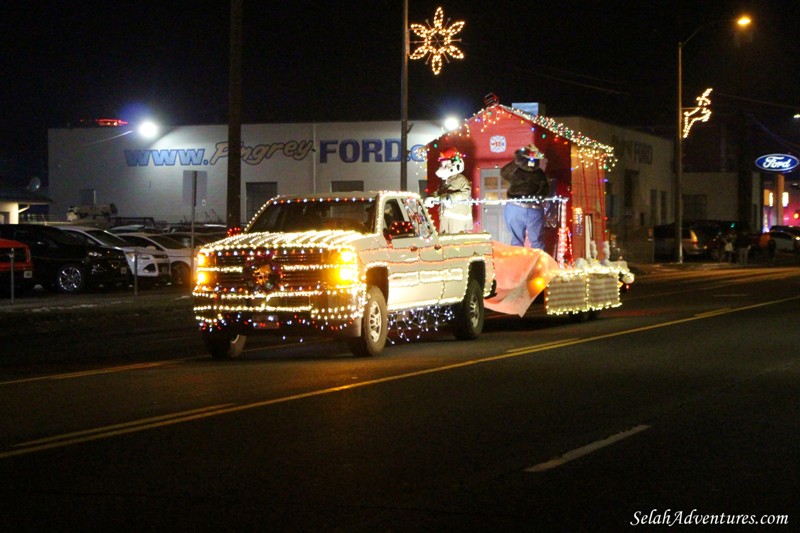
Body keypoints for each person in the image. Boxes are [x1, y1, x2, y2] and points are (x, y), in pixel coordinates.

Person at [501, 144, 550, 248]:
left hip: (532, 208)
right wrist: (516, 161)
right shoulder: (516, 170)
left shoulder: (540, 173)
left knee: (536, 241)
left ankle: (539, 263)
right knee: (518, 241)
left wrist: (539, 196)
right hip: (516, 207)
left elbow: (545, 189)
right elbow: (504, 173)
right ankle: (519, 263)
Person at [431, 147, 473, 233]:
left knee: (455, 243)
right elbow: (440, 194)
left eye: (445, 165)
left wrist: (452, 197)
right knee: (444, 242)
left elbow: (466, 193)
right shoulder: (444, 180)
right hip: (444, 216)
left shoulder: (461, 179)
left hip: (458, 218)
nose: (443, 167)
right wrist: (432, 198)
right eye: (442, 165)